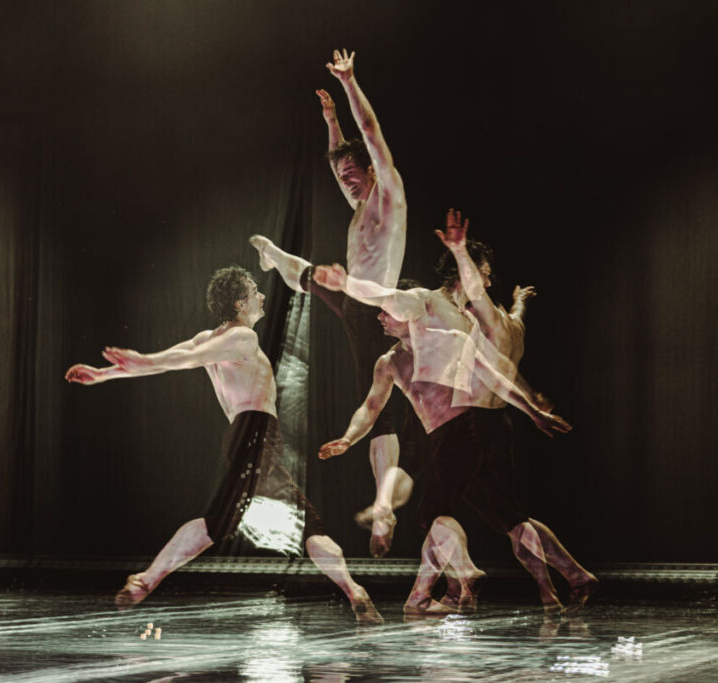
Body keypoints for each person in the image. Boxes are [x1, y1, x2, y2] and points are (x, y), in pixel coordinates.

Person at [65, 266, 382, 623]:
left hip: (246, 438)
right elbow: (177, 360)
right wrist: (133, 364)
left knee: (282, 524)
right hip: (256, 436)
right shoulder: (243, 337)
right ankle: (145, 581)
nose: (262, 296)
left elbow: (169, 362)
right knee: (226, 524)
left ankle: (354, 591)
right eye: (255, 291)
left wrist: (103, 374)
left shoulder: (210, 338)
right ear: (239, 303)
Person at [313, 270, 573, 613]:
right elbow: (370, 408)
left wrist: (532, 411)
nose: (380, 317)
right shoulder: (389, 362)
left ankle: (461, 576)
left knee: (432, 515)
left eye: (387, 311)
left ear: (409, 312)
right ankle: (553, 585)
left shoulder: (450, 339)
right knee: (505, 517)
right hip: (446, 440)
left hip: (466, 432)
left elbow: (497, 378)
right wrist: (348, 439)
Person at [249, 48, 407, 557]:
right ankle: (275, 258)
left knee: (376, 405)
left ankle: (383, 507)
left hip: (378, 311)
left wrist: (349, 84)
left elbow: (372, 133)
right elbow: (341, 156)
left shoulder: (387, 195)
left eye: (354, 173)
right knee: (313, 276)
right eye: (342, 177)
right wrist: (331, 121)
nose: (348, 181)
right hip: (356, 302)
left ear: (372, 169)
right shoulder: (360, 203)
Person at [435, 208, 599, 613]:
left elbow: (475, 295)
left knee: (475, 514)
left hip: (474, 425)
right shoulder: (510, 324)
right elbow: (510, 347)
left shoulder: (484, 320)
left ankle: (467, 588)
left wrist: (460, 252)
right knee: (509, 518)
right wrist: (519, 301)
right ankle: (565, 580)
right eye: (483, 272)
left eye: (484, 274)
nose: (485, 280)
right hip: (490, 424)